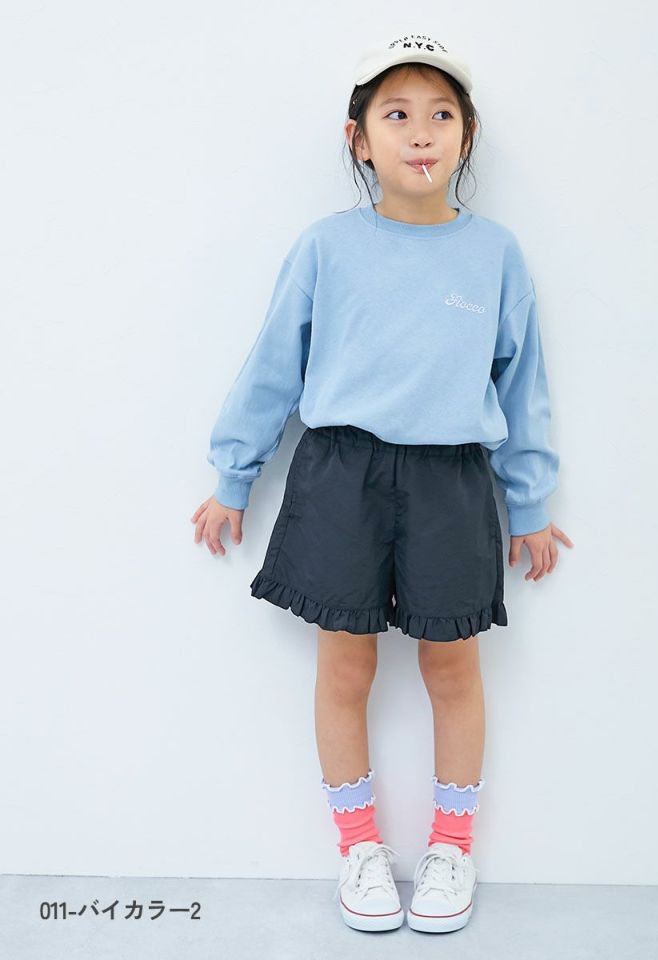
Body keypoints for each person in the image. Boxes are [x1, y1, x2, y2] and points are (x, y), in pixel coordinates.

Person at [191, 31, 574, 934]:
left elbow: (522, 382)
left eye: (441, 114)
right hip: (342, 472)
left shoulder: (495, 254)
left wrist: (529, 502)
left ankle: (450, 848)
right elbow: (274, 367)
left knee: (453, 666)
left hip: (452, 481)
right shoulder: (327, 247)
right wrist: (233, 475)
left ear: (467, 137)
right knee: (345, 664)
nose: (421, 132)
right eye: (396, 114)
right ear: (359, 139)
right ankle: (359, 847)